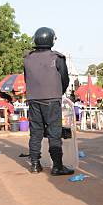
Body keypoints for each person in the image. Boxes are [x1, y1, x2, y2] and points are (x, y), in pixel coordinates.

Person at [24, 27, 74, 175]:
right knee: (54, 133)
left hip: (33, 99)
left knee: (35, 133)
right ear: (51, 39)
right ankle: (57, 166)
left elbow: (27, 78)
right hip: (52, 99)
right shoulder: (57, 58)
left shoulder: (27, 58)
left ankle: (34, 164)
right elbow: (65, 79)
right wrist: (59, 91)